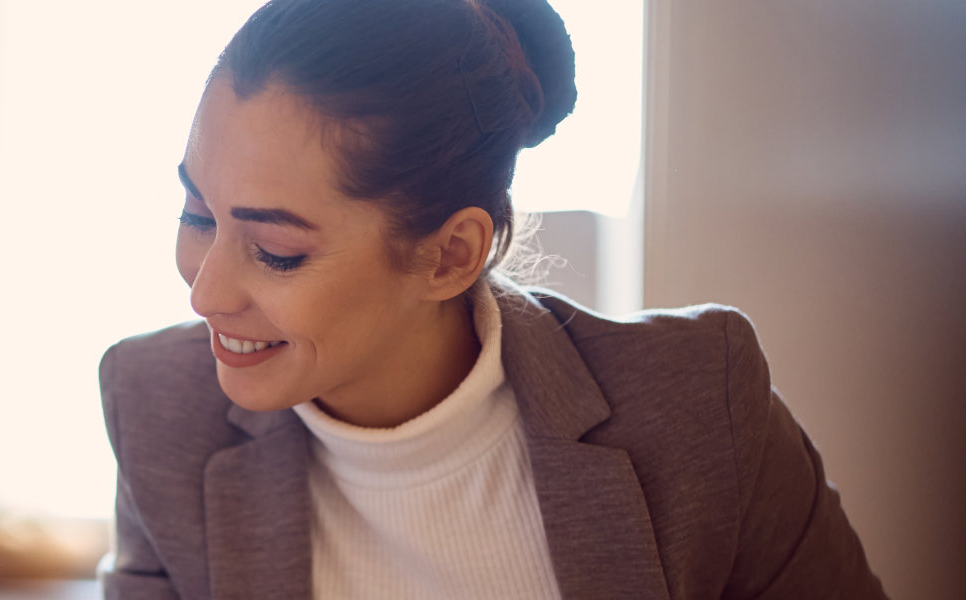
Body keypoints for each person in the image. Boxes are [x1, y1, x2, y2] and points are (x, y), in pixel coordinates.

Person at [96, 0, 884, 598]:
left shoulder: (698, 409)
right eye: (198, 213)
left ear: (450, 255)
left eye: (277, 251)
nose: (205, 291)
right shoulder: (159, 412)